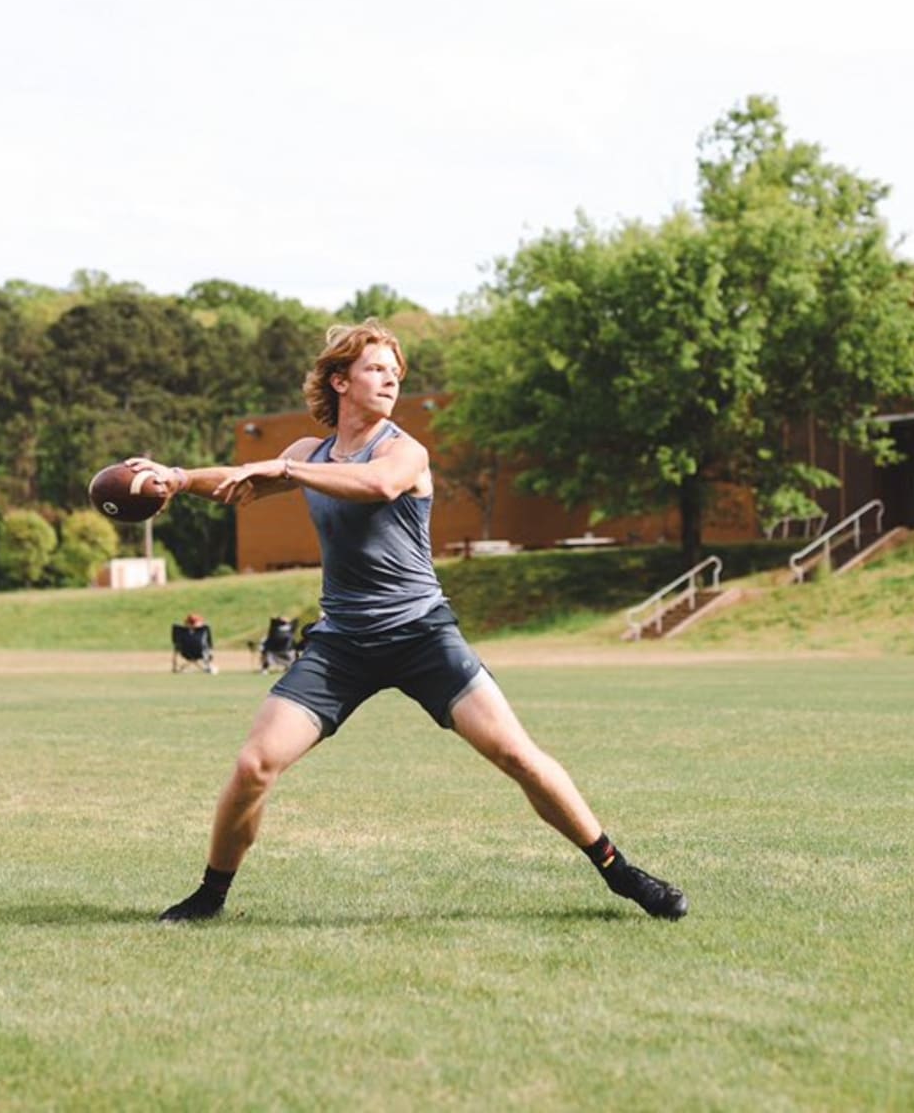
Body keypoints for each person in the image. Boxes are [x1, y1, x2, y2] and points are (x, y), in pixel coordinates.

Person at [131, 319, 687, 924]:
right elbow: (240, 485)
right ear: (340, 380)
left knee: (517, 755)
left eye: (396, 372)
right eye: (376, 368)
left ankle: (620, 872)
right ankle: (210, 897)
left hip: (421, 632)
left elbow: (376, 486)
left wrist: (286, 472)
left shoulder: (402, 449)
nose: (391, 378)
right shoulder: (308, 454)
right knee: (253, 765)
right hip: (341, 644)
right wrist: (180, 480)